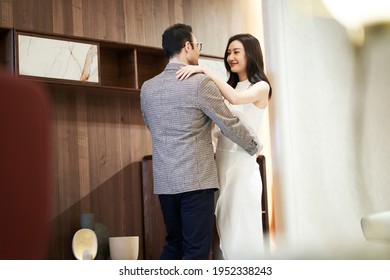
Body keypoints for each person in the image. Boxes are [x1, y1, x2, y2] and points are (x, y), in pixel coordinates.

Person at [140, 24, 261, 260]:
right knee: (196, 251)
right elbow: (229, 122)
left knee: (174, 244)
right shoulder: (200, 83)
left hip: (165, 181)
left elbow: (152, 125)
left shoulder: (147, 88)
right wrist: (254, 146)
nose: (198, 51)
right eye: (198, 46)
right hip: (196, 182)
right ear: (188, 47)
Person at [176, 33, 272, 259]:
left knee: (243, 231)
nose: (230, 57)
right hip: (220, 164)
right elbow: (212, 126)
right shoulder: (227, 87)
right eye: (229, 52)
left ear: (251, 54)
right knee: (226, 231)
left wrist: (205, 71)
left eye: (236, 51)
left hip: (241, 165)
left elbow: (237, 100)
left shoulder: (261, 87)